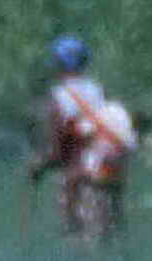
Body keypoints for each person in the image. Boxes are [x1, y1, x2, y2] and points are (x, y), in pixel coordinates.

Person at [27, 35, 135, 243]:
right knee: (111, 242)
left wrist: (37, 168)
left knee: (79, 243)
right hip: (111, 173)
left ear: (57, 64)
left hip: (81, 181)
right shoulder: (99, 91)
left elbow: (57, 151)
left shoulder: (58, 97)